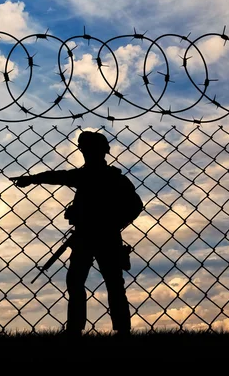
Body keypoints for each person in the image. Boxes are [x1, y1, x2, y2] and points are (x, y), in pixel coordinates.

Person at [9, 131, 143, 337]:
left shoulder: (96, 177)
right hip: (98, 236)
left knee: (94, 282)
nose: (86, 153)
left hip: (95, 236)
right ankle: (112, 329)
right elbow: (58, 176)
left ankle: (79, 328)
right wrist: (115, 224)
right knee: (101, 282)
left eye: (87, 149)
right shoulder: (110, 178)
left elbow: (58, 176)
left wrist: (112, 224)